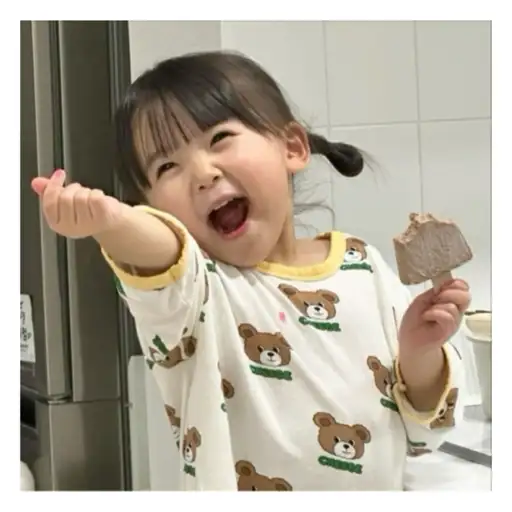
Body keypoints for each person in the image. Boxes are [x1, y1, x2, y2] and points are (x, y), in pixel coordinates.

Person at [32, 51, 470, 491]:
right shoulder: (194, 294)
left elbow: (425, 435)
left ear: (292, 148)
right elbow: (161, 249)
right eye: (167, 167)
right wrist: (112, 223)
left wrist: (419, 353)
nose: (202, 173)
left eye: (220, 138)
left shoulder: (365, 268)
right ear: (151, 207)